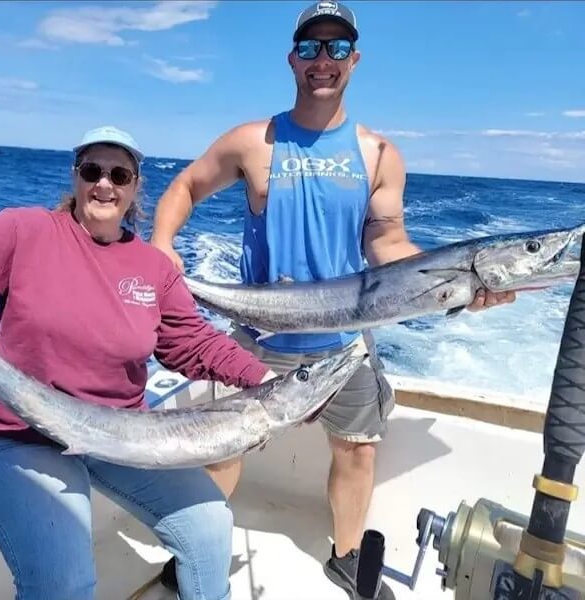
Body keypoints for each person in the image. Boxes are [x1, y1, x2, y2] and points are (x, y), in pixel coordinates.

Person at [149, 2, 516, 598]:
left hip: (345, 342)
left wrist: (460, 288)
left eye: (338, 48)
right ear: (293, 58)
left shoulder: (377, 154)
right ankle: (200, 546)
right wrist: (162, 244)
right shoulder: (253, 140)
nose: (325, 60)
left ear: (355, 60)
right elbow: (188, 185)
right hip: (262, 333)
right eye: (313, 47)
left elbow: (387, 242)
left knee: (357, 452)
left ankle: (346, 555)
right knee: (226, 447)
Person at [0, 125, 277, 600]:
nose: (104, 184)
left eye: (120, 173)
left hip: (121, 436)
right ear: (75, 177)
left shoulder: (152, 267)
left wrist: (267, 381)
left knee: (211, 523)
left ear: (136, 187)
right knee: (66, 583)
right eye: (92, 170)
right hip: (18, 436)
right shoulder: (27, 231)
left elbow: (192, 343)